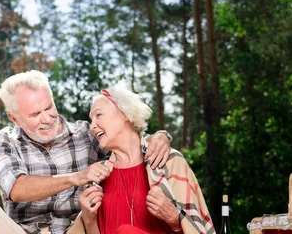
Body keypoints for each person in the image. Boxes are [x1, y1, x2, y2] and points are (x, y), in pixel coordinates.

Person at [0, 70, 173, 234]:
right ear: (14, 118)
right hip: (20, 231)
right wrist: (76, 177)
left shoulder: (86, 134)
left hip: (75, 231)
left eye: (49, 108)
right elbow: (16, 188)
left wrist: (159, 136)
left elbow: (127, 142)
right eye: (35, 114)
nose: (46, 119)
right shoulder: (7, 141)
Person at [69, 87, 215, 234]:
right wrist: (89, 221)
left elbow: (197, 228)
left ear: (124, 114)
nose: (92, 126)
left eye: (98, 115)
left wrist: (176, 220)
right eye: (91, 119)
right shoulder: (97, 177)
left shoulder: (169, 161)